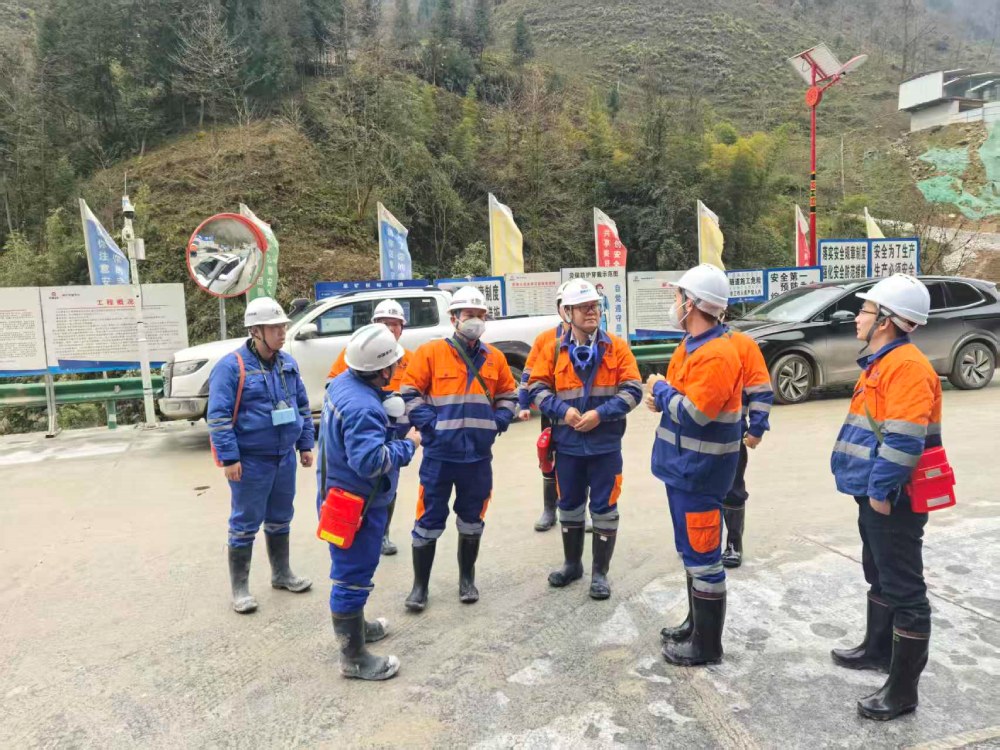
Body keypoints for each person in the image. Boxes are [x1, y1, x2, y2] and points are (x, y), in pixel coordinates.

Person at [829, 274, 941, 721]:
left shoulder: (907, 367)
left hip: (894, 497)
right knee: (878, 572)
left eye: (865, 310)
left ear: (886, 321)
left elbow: (904, 440)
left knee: (904, 588)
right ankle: (877, 651)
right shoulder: (882, 362)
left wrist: (880, 490)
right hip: (873, 491)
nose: (857, 317)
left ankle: (902, 692)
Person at [647, 264, 743, 666]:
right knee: (691, 551)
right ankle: (694, 626)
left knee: (704, 557)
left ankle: (707, 646)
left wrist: (660, 390)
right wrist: (661, 398)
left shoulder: (717, 353)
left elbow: (695, 413)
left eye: (678, 296)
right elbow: (681, 399)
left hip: (701, 471)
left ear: (691, 303)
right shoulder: (691, 345)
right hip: (682, 467)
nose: (674, 303)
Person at [400, 286, 519, 611]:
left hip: (477, 458)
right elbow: (409, 392)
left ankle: (467, 579)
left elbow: (509, 394)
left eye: (480, 315)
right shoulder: (430, 353)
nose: (475, 321)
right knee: (428, 520)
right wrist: (431, 426)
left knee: (472, 519)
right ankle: (419, 587)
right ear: (453, 318)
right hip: (439, 457)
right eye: (469, 315)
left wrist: (498, 421)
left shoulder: (495, 358)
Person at [318, 324, 422, 681]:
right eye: (394, 364)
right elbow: (371, 462)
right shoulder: (363, 407)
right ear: (381, 369)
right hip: (356, 505)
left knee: (353, 570)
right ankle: (353, 657)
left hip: (338, 493)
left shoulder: (342, 384)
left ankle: (357, 627)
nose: (397, 368)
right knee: (352, 576)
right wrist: (408, 444)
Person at [528, 279, 642, 600]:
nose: (592, 312)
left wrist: (600, 414)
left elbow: (633, 390)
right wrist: (563, 411)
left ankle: (600, 574)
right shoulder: (553, 350)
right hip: (568, 446)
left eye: (595, 306)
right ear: (568, 313)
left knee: (605, 509)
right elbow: (536, 388)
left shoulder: (616, 347)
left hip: (605, 446)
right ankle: (572, 564)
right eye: (583, 307)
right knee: (569, 507)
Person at [207, 297, 315, 614]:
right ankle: (240, 589)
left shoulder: (287, 364)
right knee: (245, 523)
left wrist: (305, 444)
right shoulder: (231, 367)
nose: (282, 332)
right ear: (255, 331)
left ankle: (282, 574)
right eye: (274, 327)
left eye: (283, 326)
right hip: (251, 460)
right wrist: (229, 459)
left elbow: (302, 406)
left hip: (284, 457)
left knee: (281, 517)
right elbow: (218, 417)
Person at [327, 299, 413, 556]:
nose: (390, 328)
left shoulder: (408, 357)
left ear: (402, 328)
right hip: (367, 428)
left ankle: (382, 533)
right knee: (370, 480)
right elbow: (334, 383)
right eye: (384, 323)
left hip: (393, 433)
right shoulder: (356, 355)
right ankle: (364, 532)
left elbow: (420, 390)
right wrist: (372, 401)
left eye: (395, 324)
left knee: (388, 485)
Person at [518, 281, 570, 532]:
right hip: (552, 410)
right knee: (547, 457)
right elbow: (528, 374)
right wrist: (524, 403)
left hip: (582, 410)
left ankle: (582, 509)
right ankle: (550, 509)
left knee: (584, 460)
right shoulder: (545, 339)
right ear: (559, 308)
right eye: (565, 305)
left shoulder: (594, 338)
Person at [720, 324, 774, 568]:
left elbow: (760, 389)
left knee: (732, 489)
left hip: (731, 432)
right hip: (694, 433)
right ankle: (701, 542)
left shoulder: (742, 344)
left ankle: (733, 543)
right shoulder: (688, 343)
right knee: (698, 491)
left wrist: (756, 428)